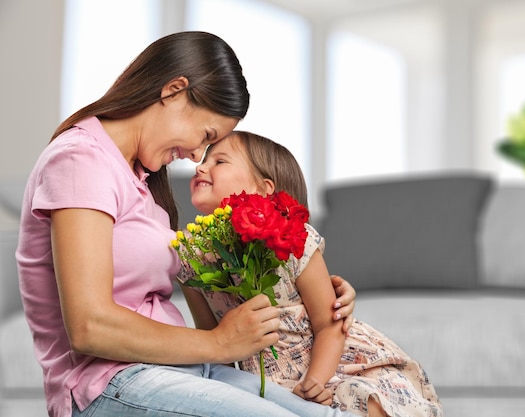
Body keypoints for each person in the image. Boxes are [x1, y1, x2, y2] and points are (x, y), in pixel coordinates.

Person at [16, 31, 358, 417]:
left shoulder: (139, 181)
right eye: (206, 136)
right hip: (109, 382)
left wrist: (319, 293)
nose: (196, 154)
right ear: (174, 91)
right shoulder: (80, 160)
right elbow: (89, 326)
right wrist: (219, 343)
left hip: (183, 368)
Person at [178, 131, 444, 417]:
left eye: (219, 161)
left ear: (264, 189)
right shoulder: (191, 256)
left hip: (332, 365)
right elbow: (211, 338)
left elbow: (329, 325)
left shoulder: (294, 241)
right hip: (261, 380)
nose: (200, 167)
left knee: (369, 402)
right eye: (205, 160)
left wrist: (315, 382)